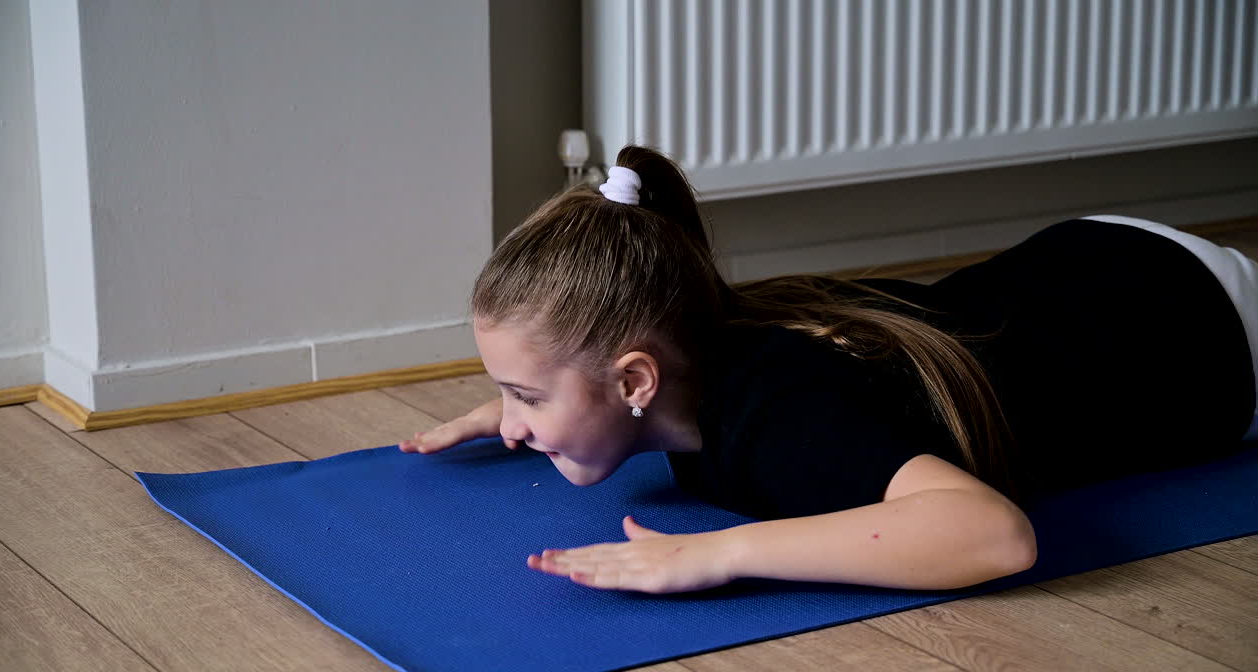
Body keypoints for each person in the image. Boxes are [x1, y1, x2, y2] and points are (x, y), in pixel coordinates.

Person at [399, 145, 1258, 595]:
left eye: (526, 396)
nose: (512, 420)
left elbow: (995, 536)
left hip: (1205, 336)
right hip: (1094, 260)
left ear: (634, 383)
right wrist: (522, 405)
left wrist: (716, 555)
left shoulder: (779, 419)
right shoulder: (697, 331)